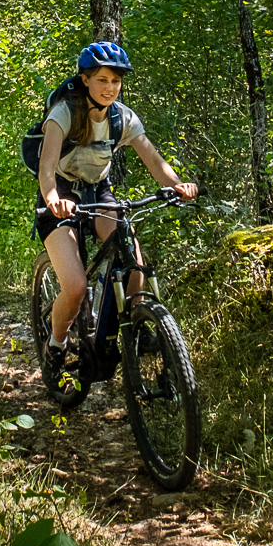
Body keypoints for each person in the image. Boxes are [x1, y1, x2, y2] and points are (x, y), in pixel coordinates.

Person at [36, 42, 198, 374]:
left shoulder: (121, 117)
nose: (110, 88)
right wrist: (53, 199)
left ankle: (134, 327)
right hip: (61, 195)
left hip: (98, 192)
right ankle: (56, 344)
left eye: (116, 81)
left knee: (132, 258)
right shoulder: (63, 114)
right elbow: (46, 168)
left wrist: (177, 185)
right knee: (75, 287)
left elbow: (153, 159)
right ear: (85, 80)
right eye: (102, 80)